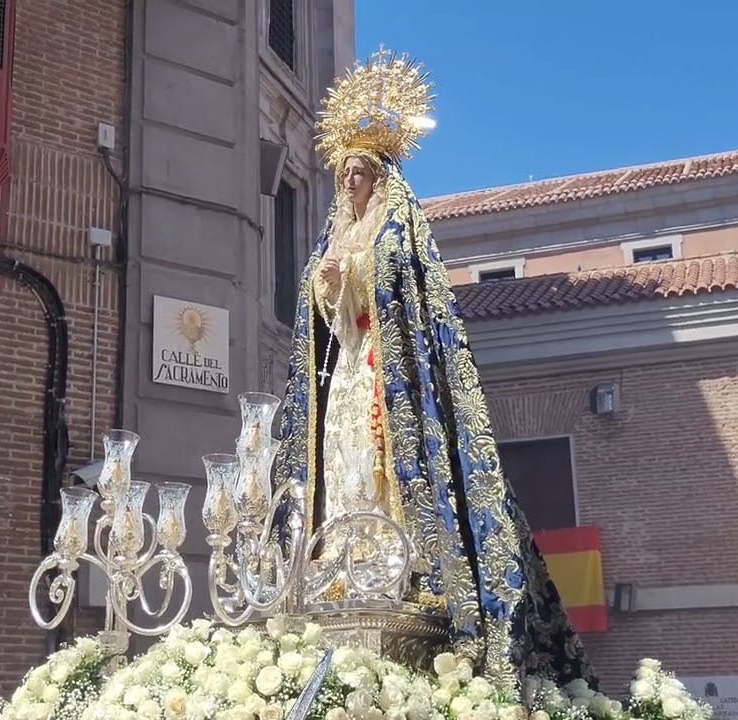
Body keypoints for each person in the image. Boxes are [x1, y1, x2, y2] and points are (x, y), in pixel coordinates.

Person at [270, 47, 598, 693]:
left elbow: (402, 296)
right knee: (340, 458)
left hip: (387, 369)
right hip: (347, 370)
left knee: (383, 453)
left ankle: (397, 560)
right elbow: (320, 309)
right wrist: (325, 284)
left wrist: (354, 274)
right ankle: (340, 554)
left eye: (360, 173)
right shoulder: (331, 237)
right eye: (344, 174)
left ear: (382, 176)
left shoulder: (398, 233)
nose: (351, 184)